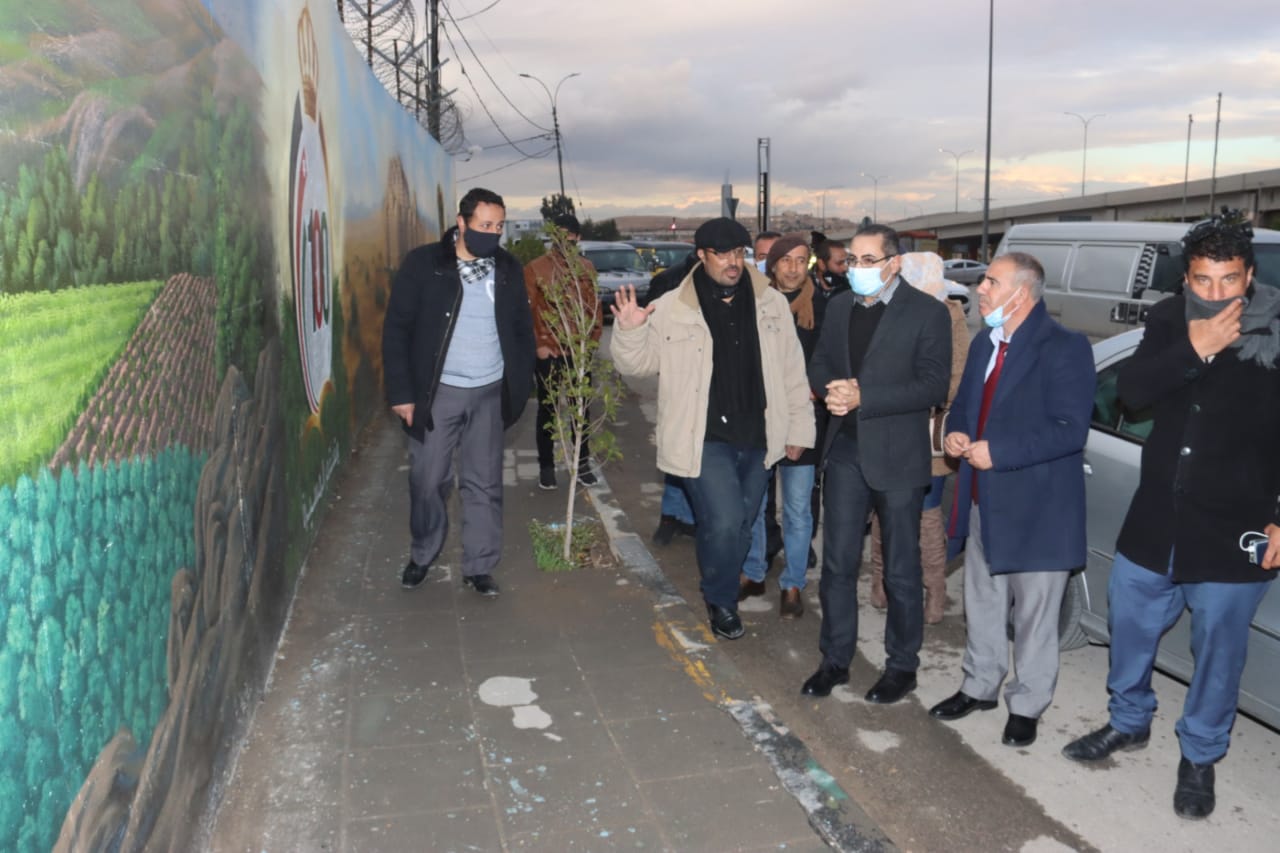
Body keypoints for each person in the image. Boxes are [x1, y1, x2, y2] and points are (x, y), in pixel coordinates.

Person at [1061, 214, 1280, 819]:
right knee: (1129, 624)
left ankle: (1200, 756)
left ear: (1249, 276)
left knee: (1218, 651)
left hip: (1235, 523)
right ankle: (1128, 721)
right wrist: (1195, 349)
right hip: (1158, 515)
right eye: (1203, 280)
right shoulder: (1167, 321)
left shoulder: (1276, 333)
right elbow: (1132, 393)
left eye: (1228, 279)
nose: (1215, 293)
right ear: (1186, 278)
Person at [611, 217, 814, 640]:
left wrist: (799, 430)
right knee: (724, 521)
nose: (732, 262)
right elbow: (638, 365)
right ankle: (720, 600)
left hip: (758, 434)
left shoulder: (771, 303)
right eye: (721, 254)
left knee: (742, 525)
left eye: (738, 253)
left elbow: (793, 371)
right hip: (702, 437)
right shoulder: (673, 307)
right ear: (701, 256)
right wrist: (630, 331)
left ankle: (722, 585)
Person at [927, 252, 1094, 748]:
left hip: (1039, 508)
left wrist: (998, 452)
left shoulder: (1064, 347)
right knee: (981, 601)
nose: (980, 289)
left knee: (1034, 616)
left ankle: (1026, 705)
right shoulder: (985, 343)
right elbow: (964, 407)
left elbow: (1069, 429)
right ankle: (979, 686)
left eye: (991, 282)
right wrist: (956, 434)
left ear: (1021, 293)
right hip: (984, 500)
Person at [801, 224, 951, 702]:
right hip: (845, 450)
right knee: (837, 565)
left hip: (898, 457)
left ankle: (902, 666)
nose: (857, 269)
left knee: (900, 570)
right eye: (852, 260)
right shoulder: (840, 305)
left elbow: (933, 386)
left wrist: (865, 397)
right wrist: (831, 391)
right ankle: (835, 661)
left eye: (868, 260)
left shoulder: (928, 312)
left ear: (894, 263)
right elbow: (821, 361)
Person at [381, 187, 535, 597]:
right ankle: (423, 553)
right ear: (461, 222)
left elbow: (522, 328)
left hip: (489, 392)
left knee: (484, 483)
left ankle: (479, 566)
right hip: (438, 394)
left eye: (499, 226)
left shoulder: (507, 268)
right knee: (428, 480)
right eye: (485, 225)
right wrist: (402, 393)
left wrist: (520, 384)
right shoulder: (424, 265)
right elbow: (396, 330)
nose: (493, 233)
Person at [866, 252, 970, 624]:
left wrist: (916, 394)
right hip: (888, 427)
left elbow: (956, 378)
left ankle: (934, 591)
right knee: (883, 507)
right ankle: (880, 581)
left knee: (926, 514)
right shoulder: (885, 309)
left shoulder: (949, 315)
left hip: (927, 431)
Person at [740, 235, 825, 618]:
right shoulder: (754, 302)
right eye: (786, 260)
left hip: (803, 420)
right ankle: (754, 571)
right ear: (772, 264)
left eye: (801, 260)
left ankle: (793, 583)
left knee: (797, 509)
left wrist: (813, 392)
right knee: (755, 504)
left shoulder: (823, 307)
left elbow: (830, 361)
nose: (793, 268)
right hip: (760, 421)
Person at [524, 214, 601, 490]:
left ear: (578, 238)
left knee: (582, 410)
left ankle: (582, 464)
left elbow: (594, 309)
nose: (565, 241)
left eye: (569, 235)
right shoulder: (535, 268)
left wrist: (591, 343)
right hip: (549, 352)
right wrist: (539, 346)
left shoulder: (586, 268)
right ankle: (546, 467)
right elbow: (527, 312)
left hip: (578, 353)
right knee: (548, 410)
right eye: (559, 235)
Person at [646, 250, 701, 546]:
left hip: (707, 380)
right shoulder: (667, 281)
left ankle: (689, 518)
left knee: (697, 453)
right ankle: (671, 517)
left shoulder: (726, 283)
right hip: (677, 378)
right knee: (678, 448)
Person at [812, 238, 850, 307]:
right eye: (839, 263)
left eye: (847, 261)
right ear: (821, 264)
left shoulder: (848, 283)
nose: (845, 267)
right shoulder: (807, 286)